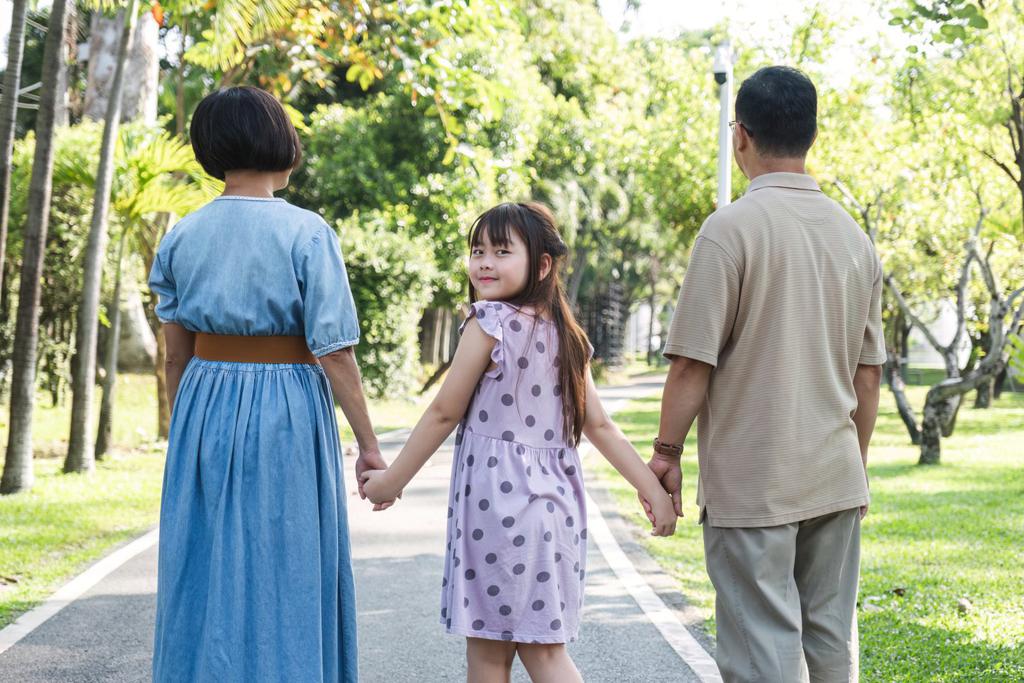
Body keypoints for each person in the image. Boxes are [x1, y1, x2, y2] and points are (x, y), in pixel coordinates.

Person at [361, 202, 677, 682]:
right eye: (477, 250)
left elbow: (444, 411)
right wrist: (652, 490)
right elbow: (601, 428)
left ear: (542, 265)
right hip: (555, 512)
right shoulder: (567, 335)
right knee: (545, 652)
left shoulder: (488, 323)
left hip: (494, 511)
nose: (485, 262)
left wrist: (391, 481)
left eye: (502, 251)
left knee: (490, 655)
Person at [648, 66, 885, 682]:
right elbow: (867, 376)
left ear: (741, 136)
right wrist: (854, 465)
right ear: (809, 135)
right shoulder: (854, 238)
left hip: (754, 482)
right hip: (835, 474)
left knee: (761, 648)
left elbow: (691, 364)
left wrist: (666, 451)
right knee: (832, 640)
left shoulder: (729, 231)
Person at [149, 86, 388, 682]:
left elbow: (175, 353)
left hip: (204, 401)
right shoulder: (307, 233)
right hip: (285, 399)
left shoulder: (182, 234)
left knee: (204, 560)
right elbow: (334, 352)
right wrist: (369, 443)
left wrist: (187, 426)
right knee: (287, 558)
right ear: (281, 143)